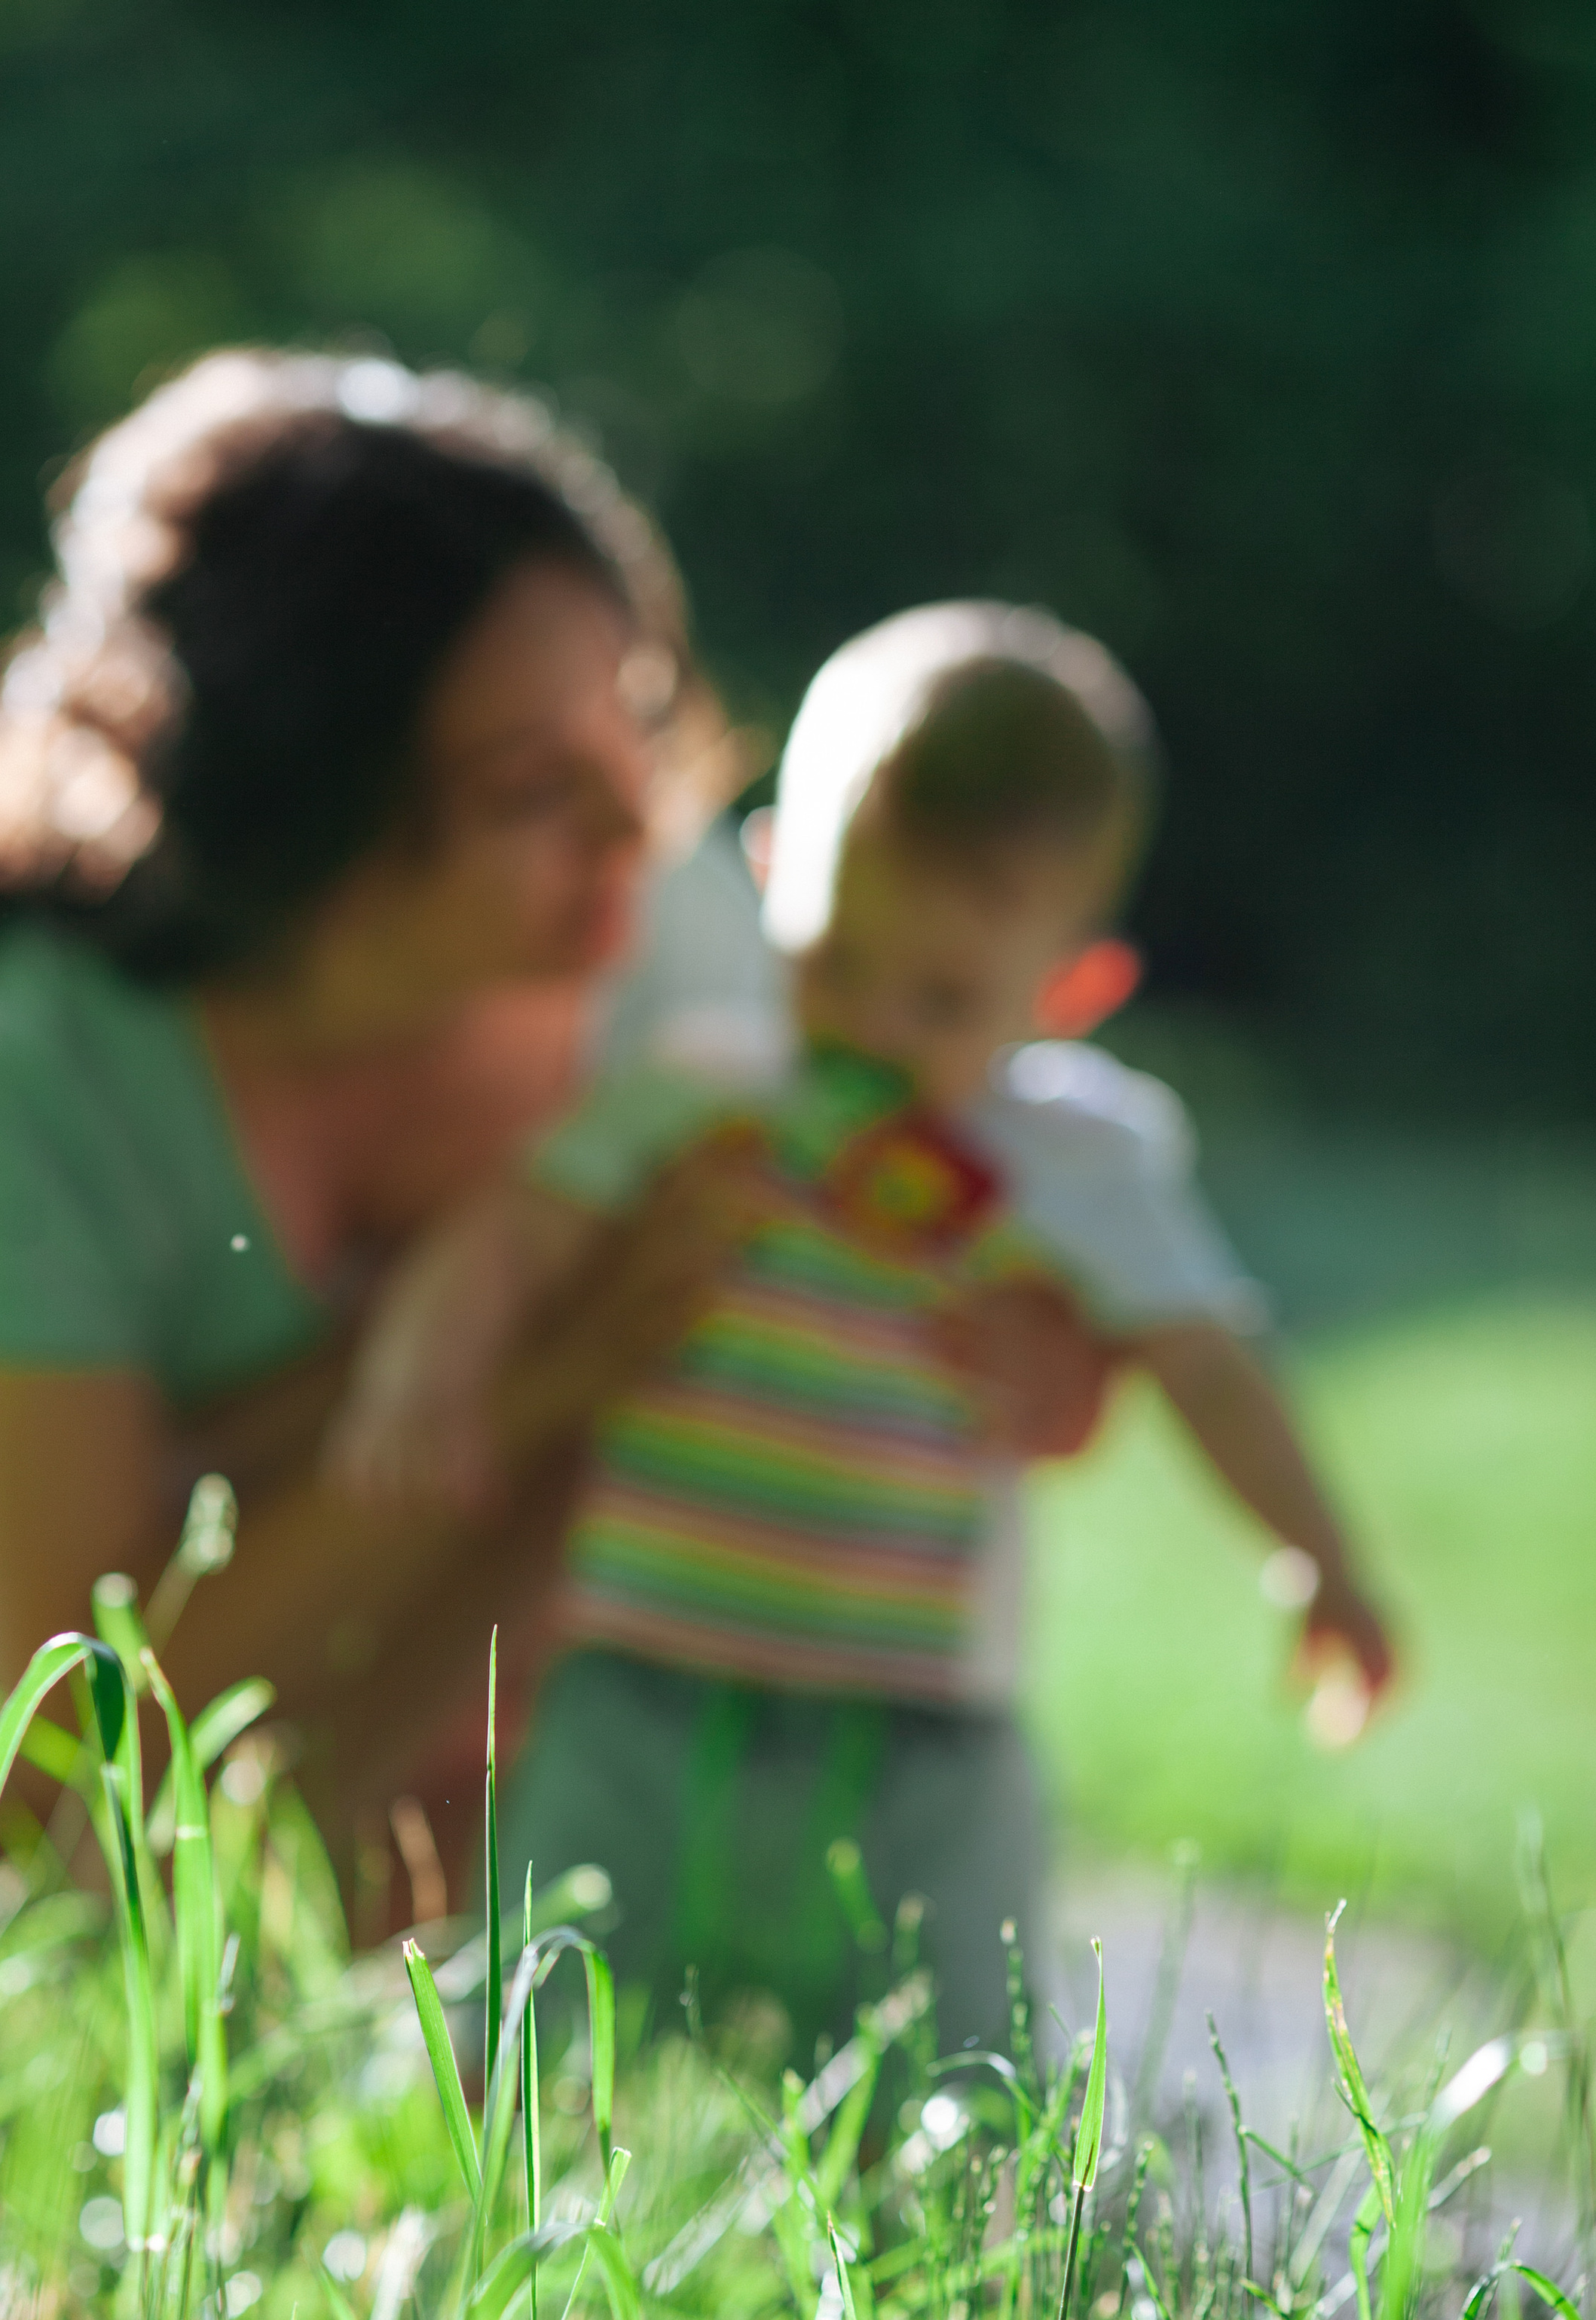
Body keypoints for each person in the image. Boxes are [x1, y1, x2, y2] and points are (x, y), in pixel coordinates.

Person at [0, 361, 1115, 1922]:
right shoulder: (32, 1046)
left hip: (284, 1526)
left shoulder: (654, 925)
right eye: (529, 789)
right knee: (92, 1840)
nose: (638, 821)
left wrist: (1035, 1340)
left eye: (634, 717)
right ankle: (247, 1907)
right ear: (307, 823)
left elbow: (894, 1233)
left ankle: (367, 1895)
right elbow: (77, 1728)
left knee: (622, 1417)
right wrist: (523, 1370)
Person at [332, 604, 1396, 2043]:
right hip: (644, 1672)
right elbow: (519, 1227)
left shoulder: (1081, 1160)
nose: (873, 1033)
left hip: (922, 1726)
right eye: (832, 962)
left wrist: (1320, 1557)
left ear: (1072, 988)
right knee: (533, 2023)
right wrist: (422, 1366)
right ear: (776, 876)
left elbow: (1210, 1362)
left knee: (956, 2051)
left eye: (944, 1000)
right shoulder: (709, 1090)